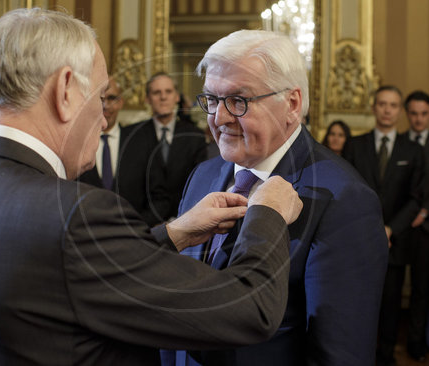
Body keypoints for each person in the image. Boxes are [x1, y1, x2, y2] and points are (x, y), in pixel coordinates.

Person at [0, 8, 305, 365]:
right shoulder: (78, 216)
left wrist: (172, 234)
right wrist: (267, 215)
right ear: (65, 90)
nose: (103, 118)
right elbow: (249, 311)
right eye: (99, 96)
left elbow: (59, 275)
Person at [165, 29, 388, 366]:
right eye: (211, 99)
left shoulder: (344, 199)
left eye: (238, 101)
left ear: (292, 104)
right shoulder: (204, 176)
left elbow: (339, 353)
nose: (219, 118)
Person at [345, 85, 425, 366]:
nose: (387, 110)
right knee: (358, 303)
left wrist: (391, 229)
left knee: (391, 304)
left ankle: (386, 356)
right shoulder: (355, 146)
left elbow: (416, 198)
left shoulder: (413, 151)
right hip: (358, 240)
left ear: (399, 110)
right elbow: (346, 193)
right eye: (382, 104)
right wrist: (367, 228)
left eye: (393, 105)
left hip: (395, 241)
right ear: (373, 107)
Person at [78, 77, 170, 226]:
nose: (105, 105)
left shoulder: (143, 143)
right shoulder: (77, 145)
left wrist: (135, 229)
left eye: (112, 98)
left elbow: (160, 200)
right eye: (100, 98)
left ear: (121, 102)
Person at [129, 72, 207, 220]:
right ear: (147, 99)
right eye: (157, 92)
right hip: (144, 223)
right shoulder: (133, 136)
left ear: (177, 97)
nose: (163, 97)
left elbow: (198, 184)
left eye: (168, 91)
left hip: (186, 219)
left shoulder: (194, 136)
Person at [401, 90, 429, 361]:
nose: (418, 119)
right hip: (399, 226)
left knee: (421, 289)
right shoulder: (399, 142)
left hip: (428, 227)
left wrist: (424, 211)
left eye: (423, 114)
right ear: (407, 113)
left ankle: (416, 342)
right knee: (392, 286)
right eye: (413, 113)